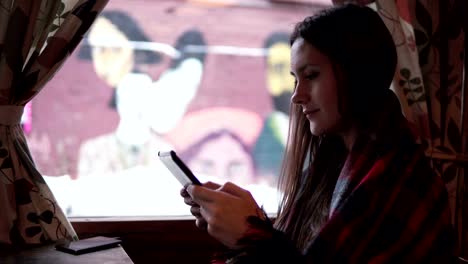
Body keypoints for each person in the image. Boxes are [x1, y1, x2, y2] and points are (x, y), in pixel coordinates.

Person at [180, 4, 457, 263]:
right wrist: (247, 223)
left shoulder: (402, 185)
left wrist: (252, 235)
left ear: (357, 74)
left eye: (311, 75)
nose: (296, 96)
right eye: (295, 79)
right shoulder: (328, 167)